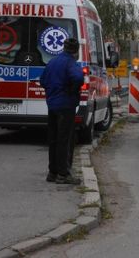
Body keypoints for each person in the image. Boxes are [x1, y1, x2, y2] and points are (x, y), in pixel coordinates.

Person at [40, 38, 84, 185]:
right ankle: (63, 174)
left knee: (53, 139)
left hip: (52, 105)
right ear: (75, 51)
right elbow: (78, 77)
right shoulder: (70, 62)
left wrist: (52, 93)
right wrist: (72, 91)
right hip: (66, 106)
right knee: (65, 140)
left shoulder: (53, 62)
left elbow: (42, 81)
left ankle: (52, 173)